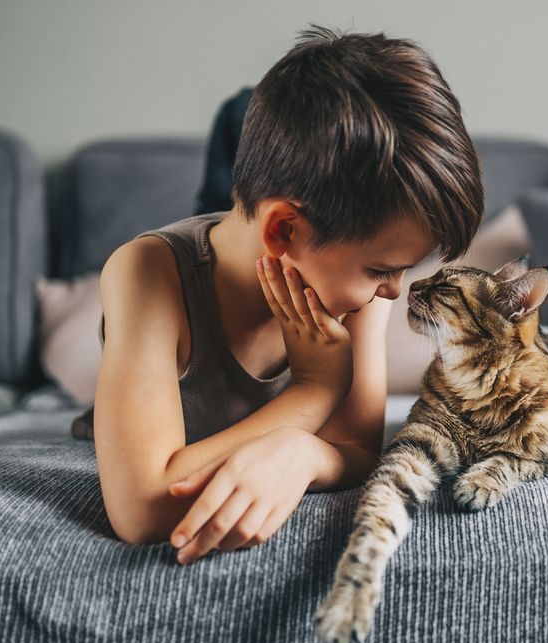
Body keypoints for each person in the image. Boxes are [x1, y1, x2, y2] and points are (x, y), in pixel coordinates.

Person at [89, 23, 485, 564]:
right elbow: (141, 511)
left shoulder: (364, 294)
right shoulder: (146, 274)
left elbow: (360, 449)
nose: (394, 291)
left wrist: (302, 455)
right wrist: (314, 391)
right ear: (284, 230)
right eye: (380, 269)